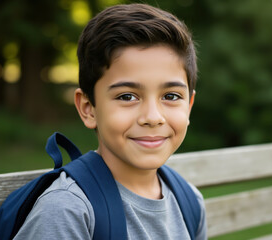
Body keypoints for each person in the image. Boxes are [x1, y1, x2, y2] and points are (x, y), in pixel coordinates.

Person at [14, 3, 207, 239]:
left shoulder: (190, 201)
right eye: (127, 96)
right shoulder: (68, 210)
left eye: (170, 96)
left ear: (189, 107)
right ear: (88, 109)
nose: (152, 117)